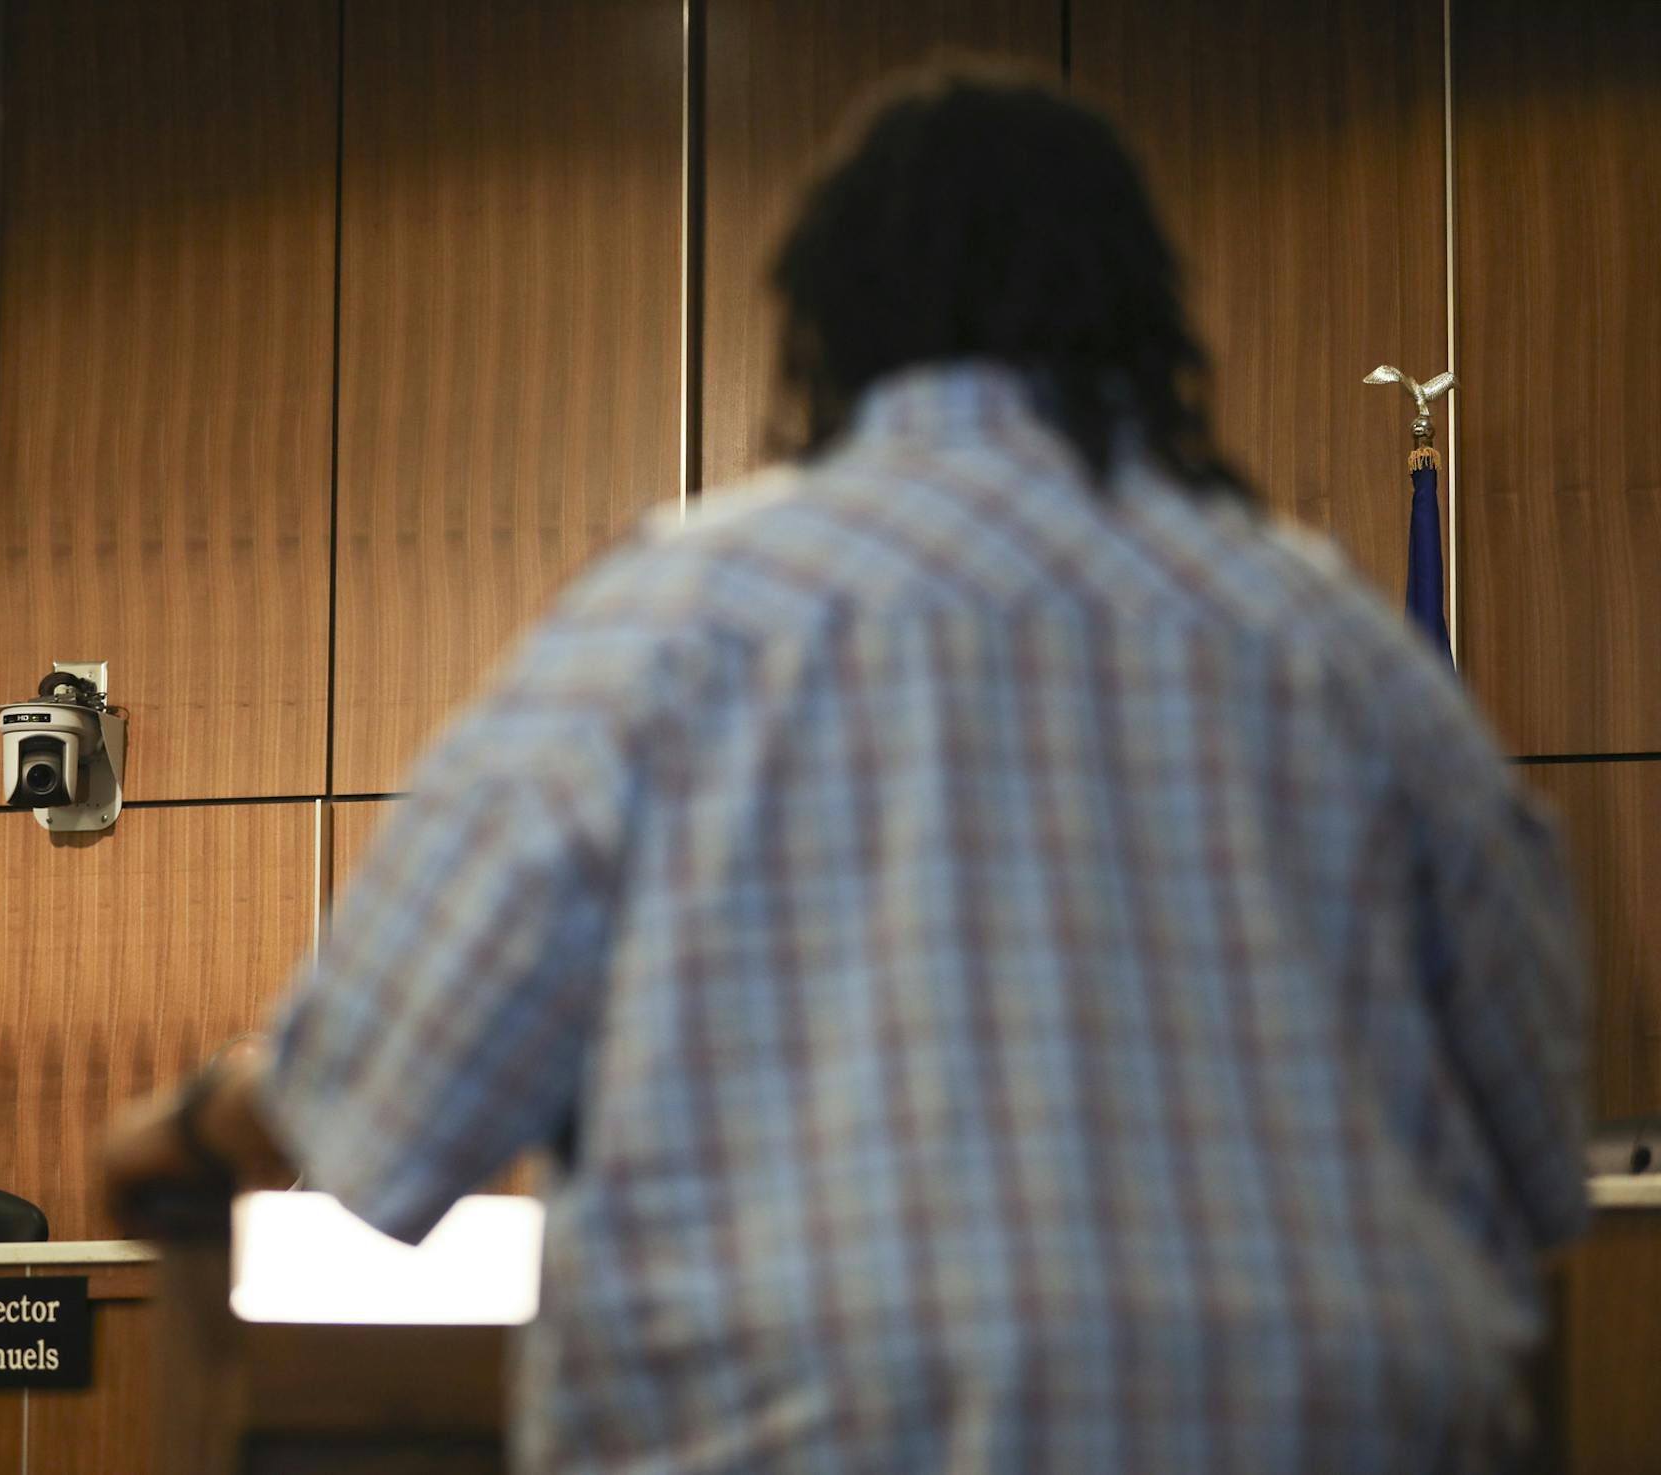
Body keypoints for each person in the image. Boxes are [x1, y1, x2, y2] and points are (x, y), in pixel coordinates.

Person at [104, 67, 1588, 1473]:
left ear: (827, 323)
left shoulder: (672, 623)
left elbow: (383, 1092)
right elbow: (1534, 1146)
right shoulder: (1347, 646)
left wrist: (172, 1128)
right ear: (1148, 317)